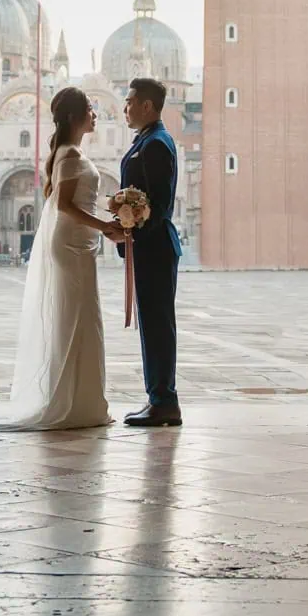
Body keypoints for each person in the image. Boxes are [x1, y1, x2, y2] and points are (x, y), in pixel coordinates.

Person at [0, 87, 117, 431]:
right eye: (91, 110)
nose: (96, 115)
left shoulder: (68, 151)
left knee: (79, 320)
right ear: (76, 117)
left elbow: (76, 199)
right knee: (76, 321)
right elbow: (64, 205)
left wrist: (114, 212)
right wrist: (106, 226)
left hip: (79, 243)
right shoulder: (71, 154)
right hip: (72, 245)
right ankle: (73, 404)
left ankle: (82, 401)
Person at [115, 76, 183, 426]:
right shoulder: (147, 139)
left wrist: (131, 224)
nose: (124, 108)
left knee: (157, 325)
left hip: (154, 248)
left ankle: (164, 401)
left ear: (146, 105)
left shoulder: (156, 144)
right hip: (147, 248)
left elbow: (157, 205)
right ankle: (157, 397)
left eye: (129, 101)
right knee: (152, 323)